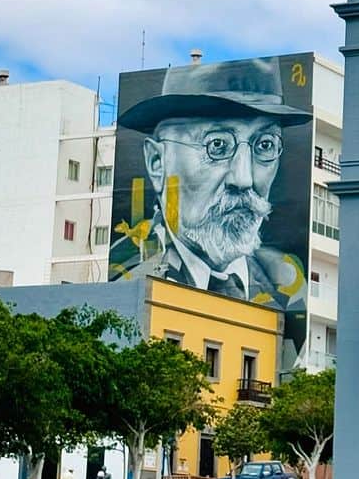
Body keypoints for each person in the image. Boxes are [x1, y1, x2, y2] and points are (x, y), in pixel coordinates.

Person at [109, 57, 310, 367]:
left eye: (265, 145)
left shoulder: (288, 287)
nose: (243, 179)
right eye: (217, 146)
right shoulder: (126, 281)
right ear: (157, 163)